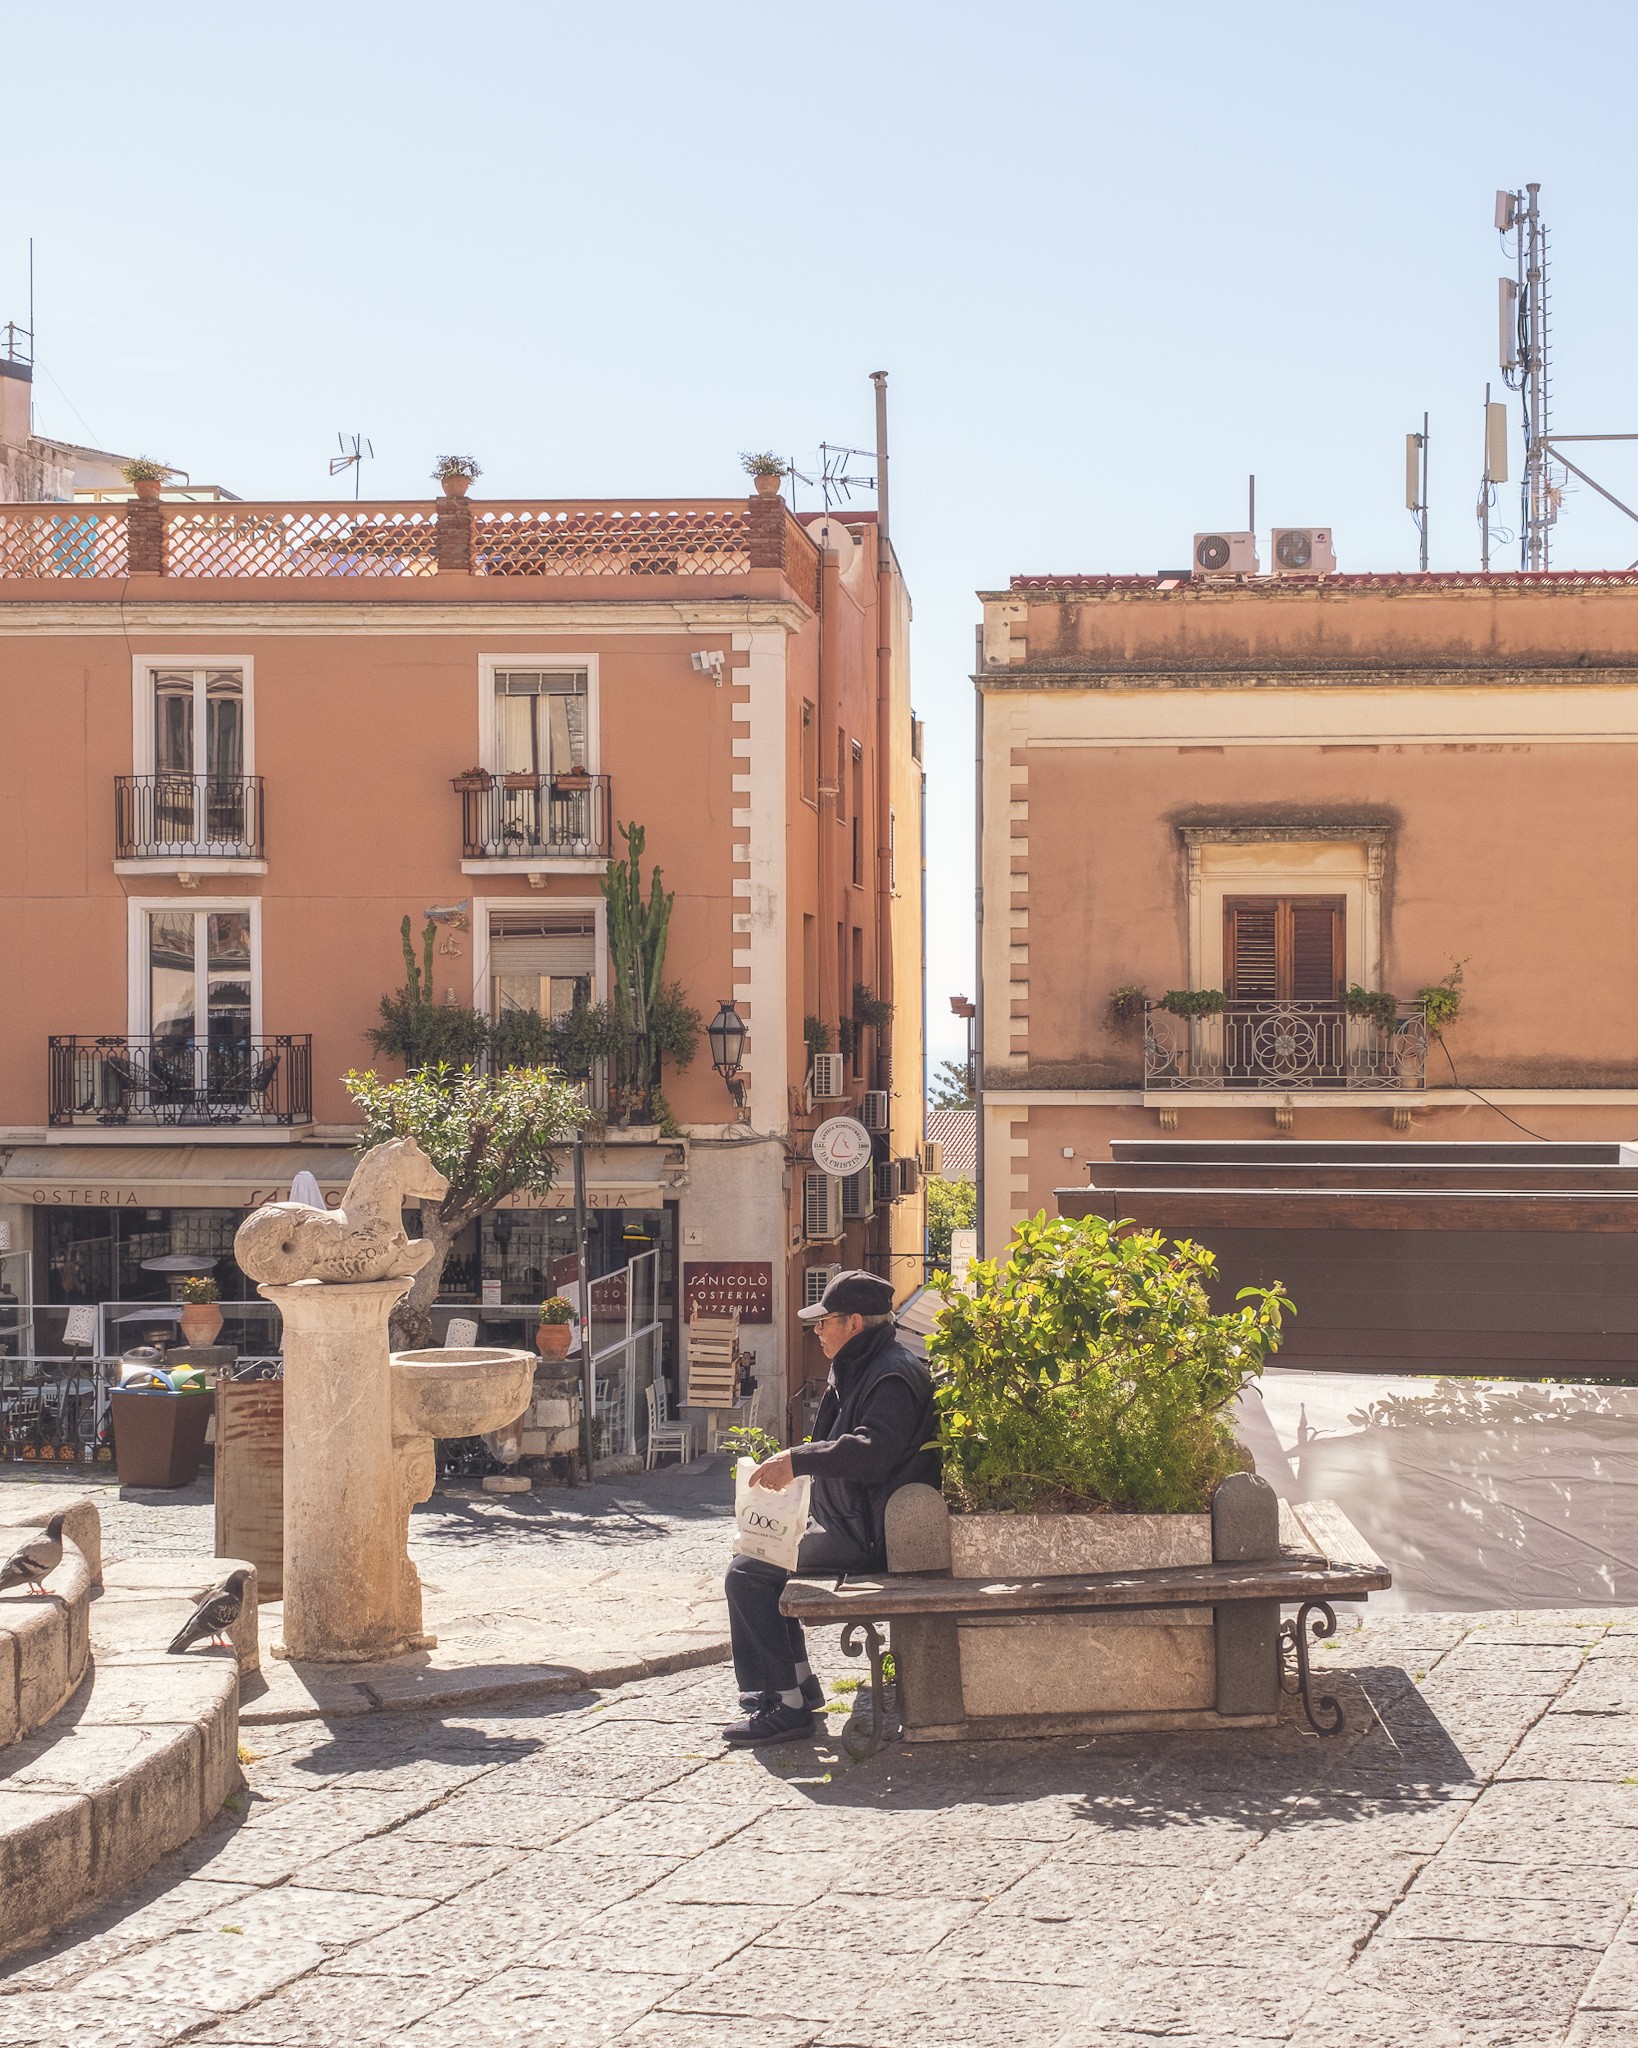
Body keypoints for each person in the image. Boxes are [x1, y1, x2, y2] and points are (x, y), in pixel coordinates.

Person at [721, 1268, 938, 1747]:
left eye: (825, 1322)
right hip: (852, 1522)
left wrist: (797, 1461)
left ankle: (786, 1703)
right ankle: (796, 1684)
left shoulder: (892, 1374)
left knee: (749, 1571)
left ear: (854, 1323)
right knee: (755, 1554)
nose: (816, 1331)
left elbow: (873, 1450)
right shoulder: (865, 1365)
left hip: (872, 1535)